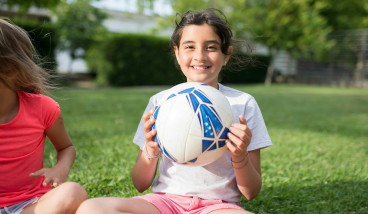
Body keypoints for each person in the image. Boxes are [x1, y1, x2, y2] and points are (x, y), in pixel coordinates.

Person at [76, 8, 272, 214]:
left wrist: (239, 157)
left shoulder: (243, 103)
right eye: (189, 47)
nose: (200, 56)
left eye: (211, 47)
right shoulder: (160, 102)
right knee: (92, 208)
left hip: (218, 207)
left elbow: (251, 192)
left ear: (226, 55)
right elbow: (140, 183)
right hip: (163, 204)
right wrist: (150, 152)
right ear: (177, 54)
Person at [0, 18, 87, 214]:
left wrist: (60, 170)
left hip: (28, 205)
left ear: (11, 69)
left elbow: (66, 147)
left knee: (73, 192)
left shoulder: (42, 108)